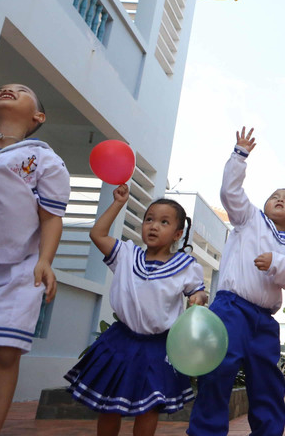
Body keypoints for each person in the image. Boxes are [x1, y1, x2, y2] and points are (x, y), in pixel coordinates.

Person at [0, 83, 69, 436]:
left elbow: (51, 217)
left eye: (22, 90)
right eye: (2, 88)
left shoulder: (45, 159)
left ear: (38, 116)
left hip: (20, 268)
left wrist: (46, 261)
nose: (9, 89)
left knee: (4, 354)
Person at [189, 127, 285, 436]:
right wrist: (239, 156)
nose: (280, 199)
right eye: (275, 196)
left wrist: (275, 261)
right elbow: (230, 192)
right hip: (231, 309)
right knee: (218, 372)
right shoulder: (249, 218)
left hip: (265, 322)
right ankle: (205, 432)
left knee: (268, 383)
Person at [67, 186, 207, 436]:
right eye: (149, 219)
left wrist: (198, 298)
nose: (153, 226)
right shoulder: (126, 254)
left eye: (164, 222)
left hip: (158, 346)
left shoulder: (185, 266)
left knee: (149, 407)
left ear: (177, 234)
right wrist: (118, 203)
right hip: (120, 341)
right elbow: (97, 234)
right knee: (109, 404)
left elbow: (198, 293)